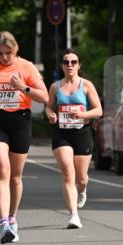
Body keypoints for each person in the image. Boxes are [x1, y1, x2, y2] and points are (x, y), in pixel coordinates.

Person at [0, 31, 48, 243]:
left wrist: (24, 88)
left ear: (16, 49)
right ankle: (3, 223)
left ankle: (12, 217)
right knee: (2, 170)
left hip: (20, 122)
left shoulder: (27, 67)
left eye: (8, 53)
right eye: (0, 53)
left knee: (15, 176)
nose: (4, 57)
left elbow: (45, 96)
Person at [46, 48, 102, 228]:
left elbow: (98, 111)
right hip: (62, 133)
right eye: (66, 62)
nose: (70, 65)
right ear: (62, 66)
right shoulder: (55, 87)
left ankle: (82, 190)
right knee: (68, 174)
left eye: (73, 62)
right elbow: (49, 106)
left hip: (82, 133)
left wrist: (83, 115)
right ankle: (74, 215)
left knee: (81, 178)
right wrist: (50, 114)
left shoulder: (86, 85)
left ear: (79, 65)